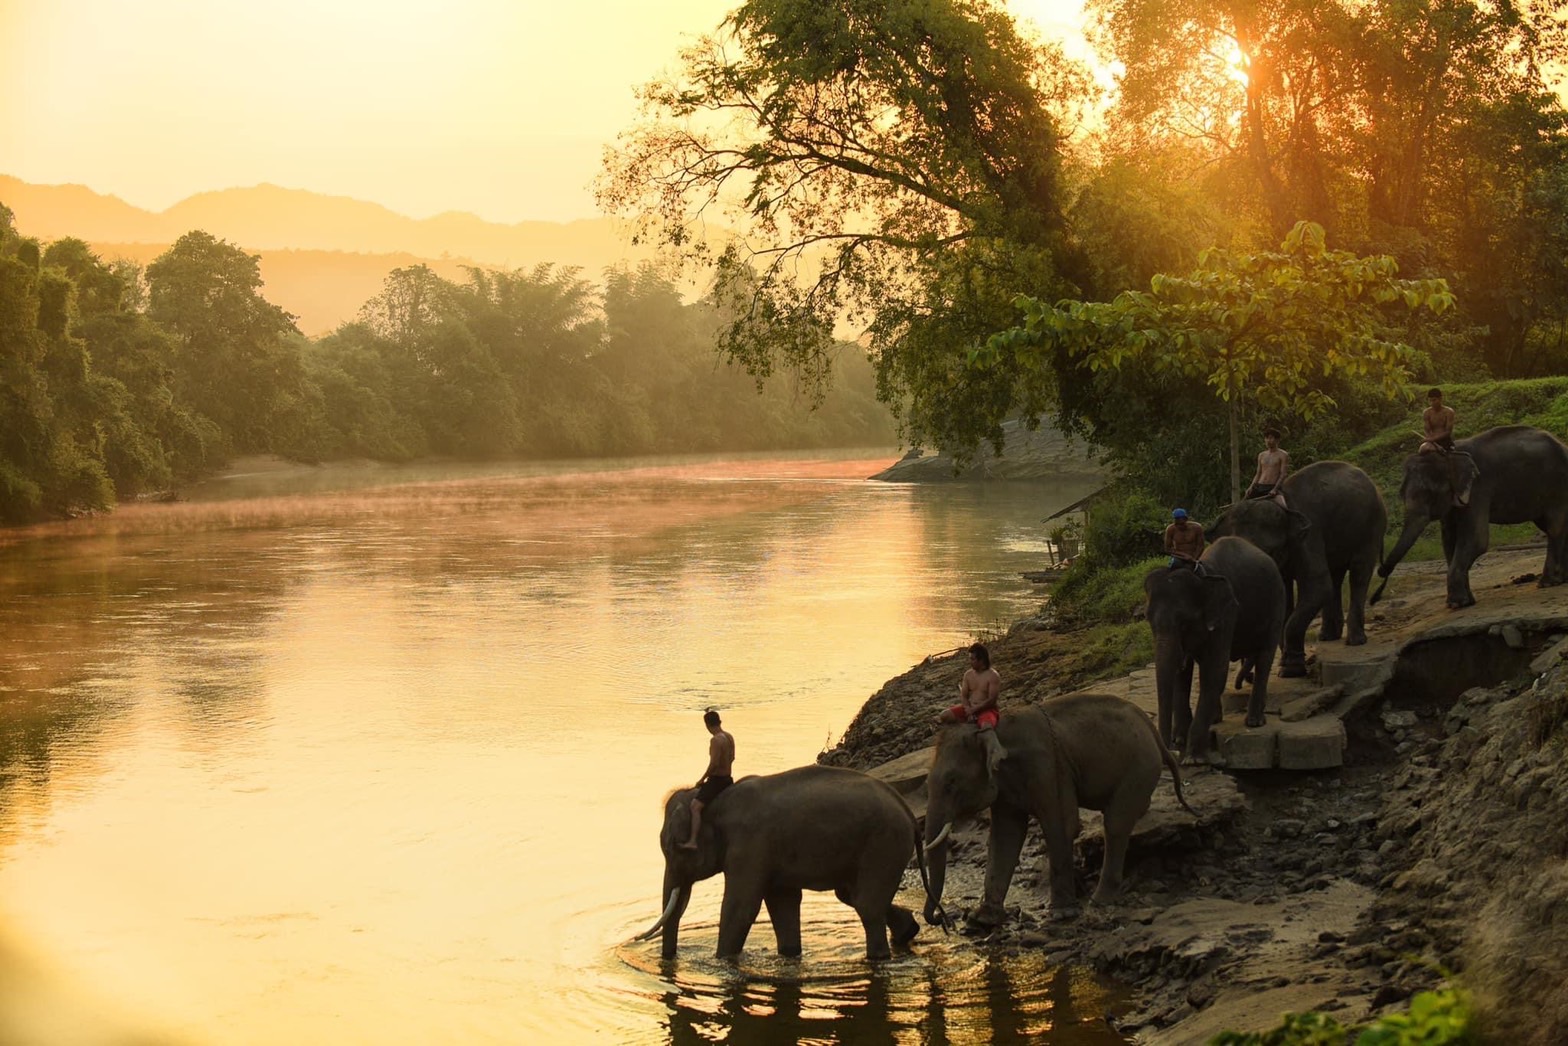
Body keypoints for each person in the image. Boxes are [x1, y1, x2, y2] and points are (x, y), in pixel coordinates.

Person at [934, 643, 1007, 772]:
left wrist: (975, 710)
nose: (970, 662)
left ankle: (995, 754)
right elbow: (964, 695)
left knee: (986, 727)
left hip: (986, 710)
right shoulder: (968, 674)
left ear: (981, 660)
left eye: (972, 659)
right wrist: (968, 709)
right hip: (970, 708)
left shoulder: (993, 676)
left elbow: (992, 700)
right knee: (944, 715)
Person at [678, 708, 735, 849]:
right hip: (728, 778)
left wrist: (702, 779)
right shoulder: (729, 737)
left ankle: (693, 841)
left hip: (717, 781)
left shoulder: (715, 740)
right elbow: (732, 758)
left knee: (695, 806)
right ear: (719, 721)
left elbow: (714, 764)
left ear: (707, 725)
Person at [1245, 428, 1290, 503]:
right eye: (1266, 438)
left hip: (1272, 486)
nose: (1268, 441)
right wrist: (1251, 487)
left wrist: (1275, 489)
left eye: (1270, 438)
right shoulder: (1261, 455)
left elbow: (1283, 474)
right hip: (1259, 486)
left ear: (1277, 440)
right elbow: (1258, 473)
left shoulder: (1283, 455)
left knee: (1283, 506)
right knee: (1242, 506)